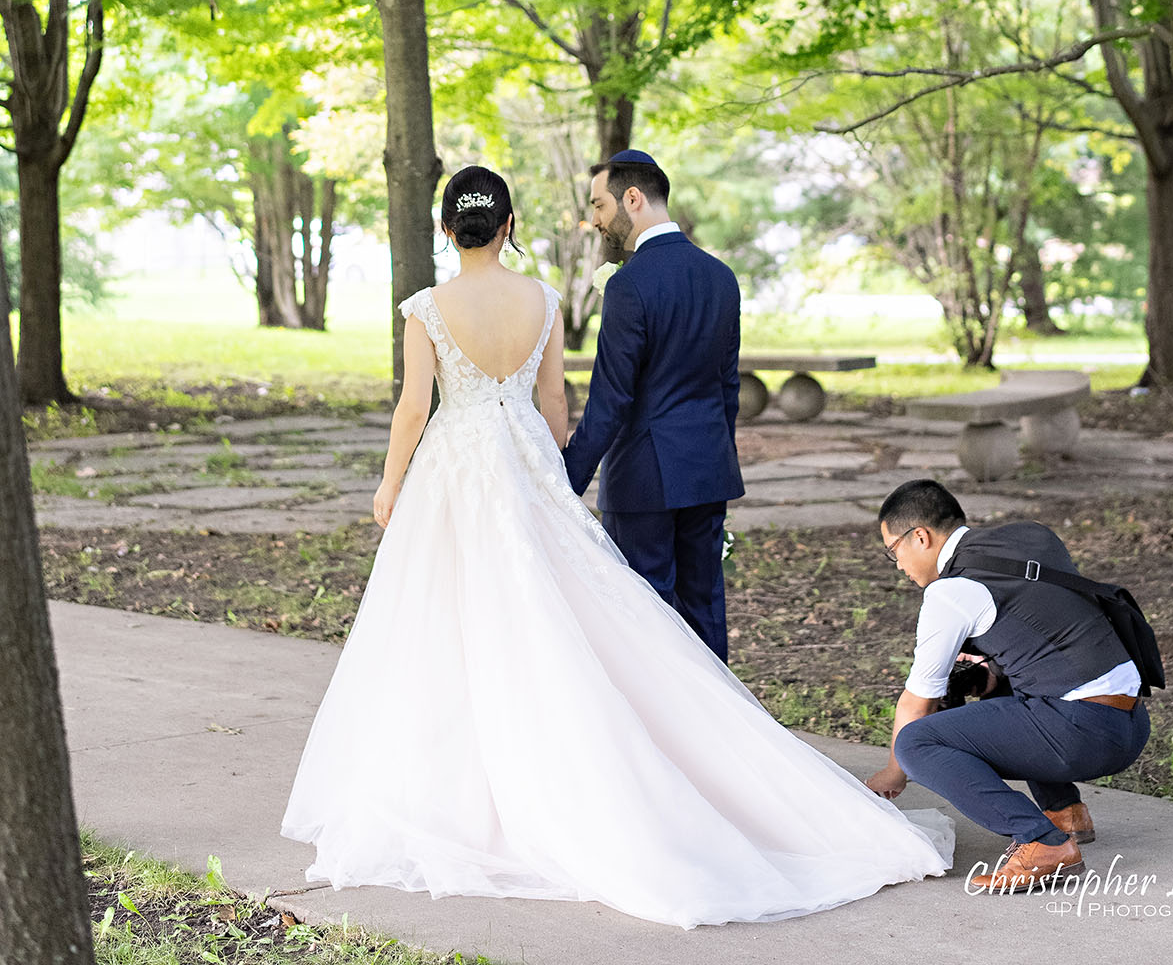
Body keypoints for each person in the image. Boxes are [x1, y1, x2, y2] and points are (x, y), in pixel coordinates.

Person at [282, 166, 953, 927]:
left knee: (454, 620)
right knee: (628, 622)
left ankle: (497, 783)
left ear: (445, 230)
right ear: (509, 224)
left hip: (464, 470)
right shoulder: (549, 299)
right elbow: (556, 399)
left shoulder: (431, 308)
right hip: (590, 465)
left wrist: (389, 483)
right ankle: (701, 754)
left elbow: (414, 407)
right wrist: (550, 475)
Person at [866, 479, 1151, 893]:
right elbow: (1052, 626)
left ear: (920, 537)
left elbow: (916, 703)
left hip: (1082, 734)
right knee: (993, 686)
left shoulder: (950, 594)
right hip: (1130, 724)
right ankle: (1064, 811)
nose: (898, 566)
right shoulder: (1031, 535)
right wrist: (995, 671)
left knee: (916, 743)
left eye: (893, 551)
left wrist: (895, 773)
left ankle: (1043, 843)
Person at [563, 149, 742, 659]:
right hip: (707, 469)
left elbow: (610, 401)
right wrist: (713, 455)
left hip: (643, 479)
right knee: (705, 608)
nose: (596, 220)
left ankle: (660, 735)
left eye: (600, 205)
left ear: (633, 199)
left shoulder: (629, 285)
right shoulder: (720, 276)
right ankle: (717, 728)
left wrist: (565, 479)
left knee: (646, 612)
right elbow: (726, 387)